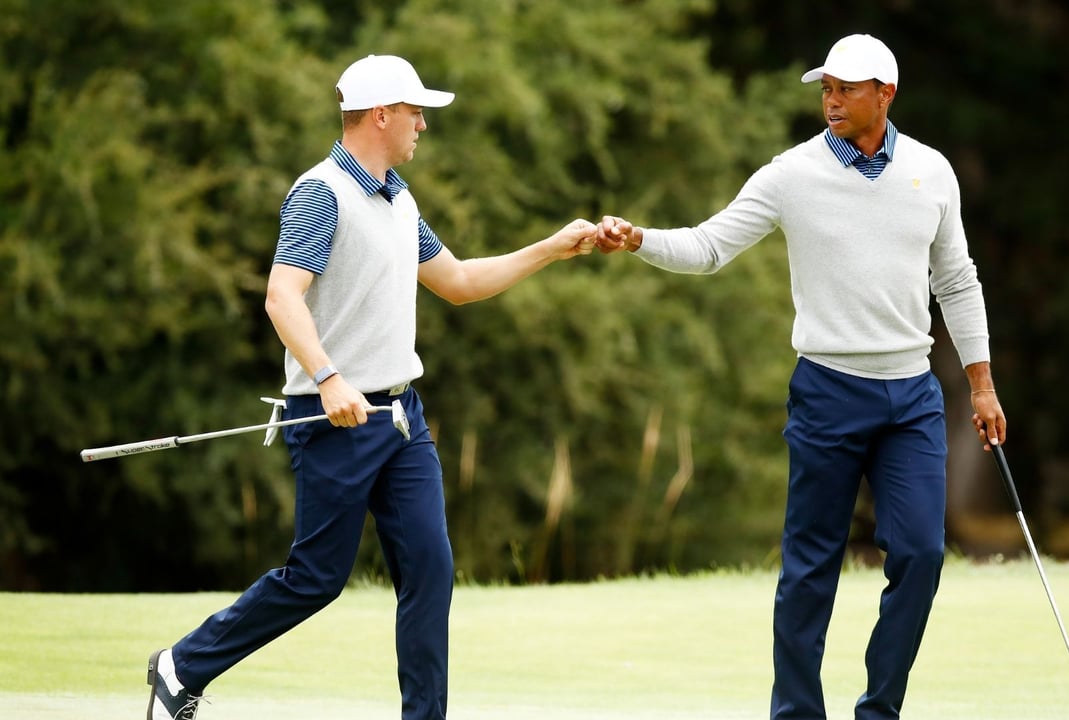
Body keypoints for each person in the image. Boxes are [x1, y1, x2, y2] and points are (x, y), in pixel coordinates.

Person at [143, 54, 596, 720]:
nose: (422, 125)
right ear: (380, 115)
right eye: (415, 113)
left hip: (401, 421)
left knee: (430, 571)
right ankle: (183, 665)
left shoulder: (398, 199)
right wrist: (327, 379)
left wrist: (554, 247)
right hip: (333, 420)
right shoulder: (320, 193)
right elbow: (281, 297)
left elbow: (460, 283)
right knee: (317, 578)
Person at [595, 33, 1007, 720]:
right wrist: (640, 239)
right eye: (826, 87)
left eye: (847, 88)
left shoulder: (933, 172)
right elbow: (708, 247)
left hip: (911, 397)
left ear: (886, 94)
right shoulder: (791, 174)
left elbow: (957, 283)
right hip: (827, 391)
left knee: (922, 553)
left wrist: (982, 383)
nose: (832, 98)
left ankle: (880, 709)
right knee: (809, 569)